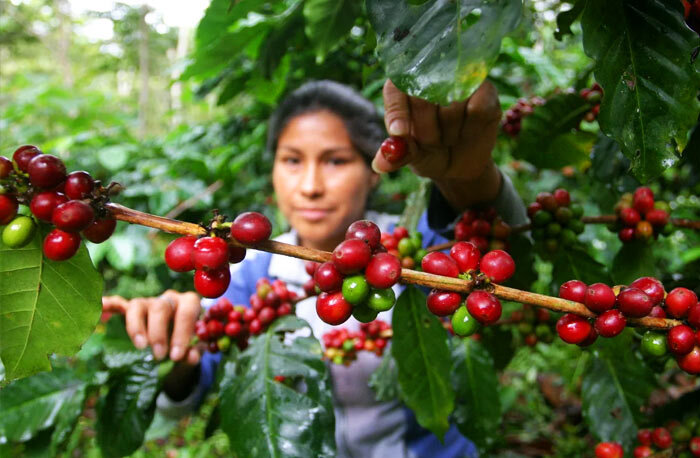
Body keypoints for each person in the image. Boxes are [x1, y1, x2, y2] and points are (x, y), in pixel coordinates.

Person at [103, 79, 527, 457]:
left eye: (336, 161)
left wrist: (470, 178)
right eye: (291, 160)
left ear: (374, 171)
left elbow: (499, 250)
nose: (309, 186)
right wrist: (177, 351)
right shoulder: (249, 271)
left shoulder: (411, 254)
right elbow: (188, 392)